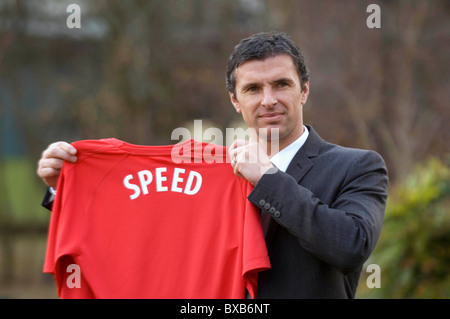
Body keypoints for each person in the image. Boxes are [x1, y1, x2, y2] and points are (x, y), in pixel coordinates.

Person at [37, 31, 388, 298]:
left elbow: (351, 246)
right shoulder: (208, 173)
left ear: (304, 90)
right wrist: (69, 188)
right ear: (236, 101)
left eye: (282, 84)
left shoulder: (357, 166)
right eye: (253, 89)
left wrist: (267, 178)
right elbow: (152, 227)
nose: (269, 100)